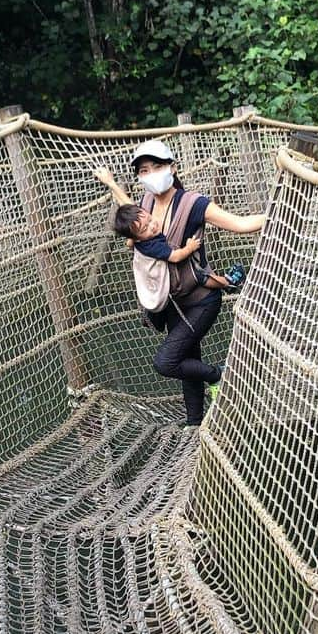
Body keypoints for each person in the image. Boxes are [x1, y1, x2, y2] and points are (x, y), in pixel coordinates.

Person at [94, 139, 264, 426]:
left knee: (166, 362)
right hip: (173, 304)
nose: (151, 174)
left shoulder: (193, 204)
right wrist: (111, 183)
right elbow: (128, 210)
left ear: (172, 167)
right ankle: (195, 423)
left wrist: (281, 211)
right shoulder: (144, 206)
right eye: (144, 170)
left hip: (200, 300)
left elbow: (241, 224)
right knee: (187, 362)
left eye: (157, 166)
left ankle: (219, 375)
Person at [111, 202, 245, 292]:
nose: (152, 226)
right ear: (137, 237)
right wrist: (189, 248)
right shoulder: (152, 245)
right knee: (199, 276)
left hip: (157, 278)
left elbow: (130, 242)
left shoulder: (138, 240)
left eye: (150, 219)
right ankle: (227, 283)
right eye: (145, 229)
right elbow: (175, 257)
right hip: (168, 279)